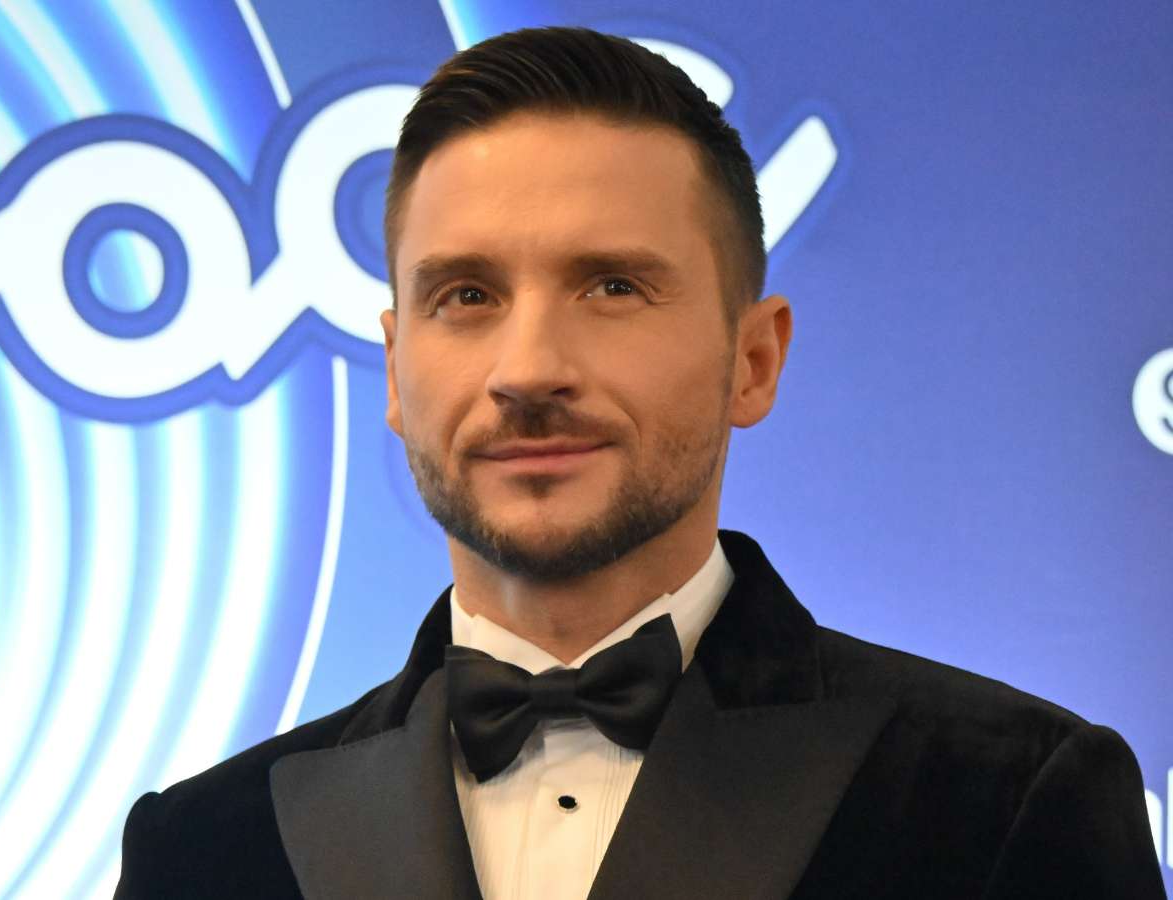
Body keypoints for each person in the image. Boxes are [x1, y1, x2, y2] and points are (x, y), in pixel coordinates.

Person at [115, 26, 1165, 900]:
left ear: (753, 361)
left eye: (612, 287)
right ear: (395, 372)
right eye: (467, 296)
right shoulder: (202, 847)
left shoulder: (1008, 797)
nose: (528, 370)